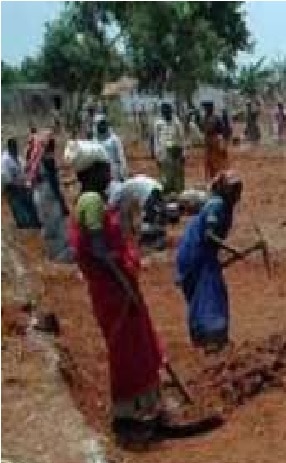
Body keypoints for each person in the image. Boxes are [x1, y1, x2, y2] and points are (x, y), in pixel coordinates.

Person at [65, 141, 167, 444]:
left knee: (135, 343)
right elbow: (99, 250)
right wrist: (125, 284)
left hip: (115, 286)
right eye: (106, 167)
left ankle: (143, 407)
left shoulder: (90, 199)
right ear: (93, 171)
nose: (110, 171)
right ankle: (130, 414)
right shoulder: (92, 202)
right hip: (112, 290)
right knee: (127, 347)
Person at [175, 172, 253, 352]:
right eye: (233, 189)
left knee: (203, 293)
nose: (237, 194)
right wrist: (232, 250)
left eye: (239, 189)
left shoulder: (225, 206)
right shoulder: (217, 205)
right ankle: (212, 339)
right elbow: (209, 235)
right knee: (210, 294)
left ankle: (205, 337)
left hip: (201, 253)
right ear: (225, 189)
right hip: (196, 252)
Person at [27, 133, 73, 263]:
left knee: (47, 225)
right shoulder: (48, 160)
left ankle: (52, 254)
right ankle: (62, 256)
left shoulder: (35, 160)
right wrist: (63, 203)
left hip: (39, 195)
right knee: (57, 222)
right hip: (49, 195)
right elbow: (54, 184)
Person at [108, 173, 166, 250]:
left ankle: (154, 241)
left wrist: (127, 232)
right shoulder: (126, 186)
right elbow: (129, 212)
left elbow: (124, 214)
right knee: (153, 216)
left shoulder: (121, 192)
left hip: (150, 192)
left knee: (149, 219)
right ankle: (151, 239)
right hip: (156, 188)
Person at [2, 137, 41, 229]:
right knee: (19, 208)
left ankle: (34, 224)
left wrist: (29, 178)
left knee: (29, 204)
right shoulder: (5, 161)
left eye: (16, 148)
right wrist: (23, 184)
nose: (16, 150)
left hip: (22, 185)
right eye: (14, 148)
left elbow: (23, 168)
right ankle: (24, 227)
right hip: (11, 188)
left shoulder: (17, 156)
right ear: (10, 148)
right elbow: (8, 180)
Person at [153, 103, 186, 196]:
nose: (166, 112)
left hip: (176, 151)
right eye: (164, 110)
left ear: (171, 110)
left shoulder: (177, 122)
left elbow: (182, 138)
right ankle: (168, 195)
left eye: (167, 110)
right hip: (164, 152)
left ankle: (180, 194)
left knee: (178, 175)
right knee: (166, 176)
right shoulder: (158, 123)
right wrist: (157, 156)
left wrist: (183, 153)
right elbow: (156, 140)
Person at [94, 115, 128, 182]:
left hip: (114, 173)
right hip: (99, 173)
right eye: (100, 124)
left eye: (103, 124)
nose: (102, 126)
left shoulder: (114, 139)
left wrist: (123, 174)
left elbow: (121, 157)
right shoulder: (94, 140)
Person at [202, 102, 229, 180]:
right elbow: (203, 129)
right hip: (207, 141)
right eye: (205, 108)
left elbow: (222, 130)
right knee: (208, 162)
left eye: (207, 108)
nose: (205, 109)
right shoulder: (205, 118)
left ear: (211, 108)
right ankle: (210, 178)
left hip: (215, 140)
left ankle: (218, 178)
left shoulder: (216, 118)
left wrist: (222, 143)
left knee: (216, 161)